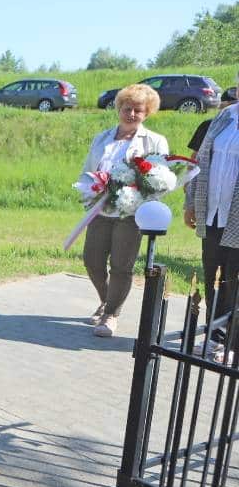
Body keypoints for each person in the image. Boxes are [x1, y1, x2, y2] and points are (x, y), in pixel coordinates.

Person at [81, 83, 169, 338]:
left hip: (131, 213)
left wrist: (136, 195)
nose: (131, 114)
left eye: (138, 110)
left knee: (121, 265)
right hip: (101, 210)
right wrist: (89, 192)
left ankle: (111, 315)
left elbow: (160, 179)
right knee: (92, 261)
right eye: (127, 108)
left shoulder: (155, 141)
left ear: (147, 113)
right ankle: (107, 300)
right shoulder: (102, 138)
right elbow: (87, 170)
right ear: (119, 108)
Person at [184, 88, 239, 360]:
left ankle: (233, 346)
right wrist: (191, 201)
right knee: (214, 278)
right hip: (214, 213)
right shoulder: (225, 117)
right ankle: (215, 339)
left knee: (235, 282)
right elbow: (200, 161)